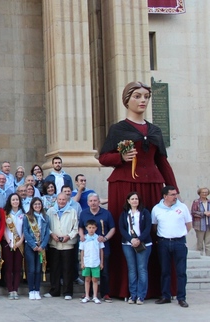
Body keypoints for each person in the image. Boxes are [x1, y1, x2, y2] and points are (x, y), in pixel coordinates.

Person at [99, 81, 179, 299]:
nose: (142, 100)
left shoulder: (155, 130)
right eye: (137, 96)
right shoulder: (118, 128)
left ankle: (156, 288)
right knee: (126, 232)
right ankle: (123, 287)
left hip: (152, 185)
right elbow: (104, 157)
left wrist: (174, 192)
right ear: (127, 100)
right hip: (124, 185)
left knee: (152, 233)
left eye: (146, 96)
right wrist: (120, 157)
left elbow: (162, 161)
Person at [152, 186, 192, 308]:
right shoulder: (156, 209)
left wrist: (179, 234)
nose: (175, 197)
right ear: (165, 196)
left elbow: (188, 225)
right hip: (163, 243)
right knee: (165, 271)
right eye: (172, 195)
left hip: (179, 242)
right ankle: (165, 296)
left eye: (176, 194)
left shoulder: (182, 207)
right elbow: (155, 226)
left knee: (181, 272)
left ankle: (181, 298)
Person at [78, 193, 115, 302]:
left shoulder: (106, 213)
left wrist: (105, 238)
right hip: (88, 247)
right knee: (88, 271)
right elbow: (80, 227)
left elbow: (112, 228)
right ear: (88, 202)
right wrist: (81, 236)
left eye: (95, 200)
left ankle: (105, 293)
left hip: (102, 247)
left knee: (104, 271)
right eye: (91, 201)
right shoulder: (84, 213)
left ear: (99, 202)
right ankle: (87, 294)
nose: (93, 203)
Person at [119, 192, 152, 305]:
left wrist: (139, 239)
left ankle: (141, 296)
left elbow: (148, 227)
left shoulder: (145, 212)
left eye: (136, 199)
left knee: (142, 269)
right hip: (128, 244)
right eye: (132, 199)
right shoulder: (124, 214)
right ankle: (133, 295)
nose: (134, 201)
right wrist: (131, 240)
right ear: (128, 201)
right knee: (132, 270)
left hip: (143, 244)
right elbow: (122, 229)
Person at [45, 193, 78, 300]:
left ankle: (68, 292)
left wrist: (69, 236)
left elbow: (76, 228)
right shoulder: (50, 211)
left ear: (67, 200)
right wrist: (51, 234)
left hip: (67, 245)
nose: (61, 201)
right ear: (56, 200)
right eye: (59, 199)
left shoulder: (72, 211)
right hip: (54, 244)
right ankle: (54, 290)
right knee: (54, 269)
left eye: (64, 199)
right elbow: (46, 226)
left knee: (67, 269)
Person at [22, 197, 50, 300]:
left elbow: (47, 233)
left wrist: (42, 245)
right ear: (32, 206)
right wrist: (33, 245)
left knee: (38, 269)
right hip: (30, 246)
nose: (37, 206)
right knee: (31, 269)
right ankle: (31, 290)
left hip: (41, 246)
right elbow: (25, 231)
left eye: (39, 204)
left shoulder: (46, 218)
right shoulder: (27, 217)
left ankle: (37, 290)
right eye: (35, 204)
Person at [3, 193, 25, 300]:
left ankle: (15, 289)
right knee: (8, 267)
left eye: (17, 199)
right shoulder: (6, 214)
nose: (15, 201)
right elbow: (3, 229)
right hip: (8, 244)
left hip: (19, 244)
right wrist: (9, 241)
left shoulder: (23, 214)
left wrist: (21, 241)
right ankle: (10, 289)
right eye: (13, 200)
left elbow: (25, 229)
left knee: (17, 267)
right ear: (10, 202)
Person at [79, 220, 105, 304]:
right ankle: (87, 296)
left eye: (93, 228)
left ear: (96, 228)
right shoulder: (84, 239)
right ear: (86, 228)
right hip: (87, 262)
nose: (91, 229)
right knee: (87, 279)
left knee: (95, 279)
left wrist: (101, 262)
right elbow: (82, 251)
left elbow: (101, 251)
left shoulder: (98, 238)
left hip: (95, 262)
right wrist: (82, 262)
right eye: (89, 227)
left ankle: (95, 296)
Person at [191, 187, 210, 256]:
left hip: (209, 225)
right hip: (199, 225)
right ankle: (200, 257)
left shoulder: (209, 202)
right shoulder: (196, 202)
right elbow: (193, 212)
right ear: (199, 193)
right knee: (200, 243)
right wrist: (203, 213)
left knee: (208, 243)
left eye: (206, 192)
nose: (204, 194)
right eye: (203, 192)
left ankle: (208, 259)